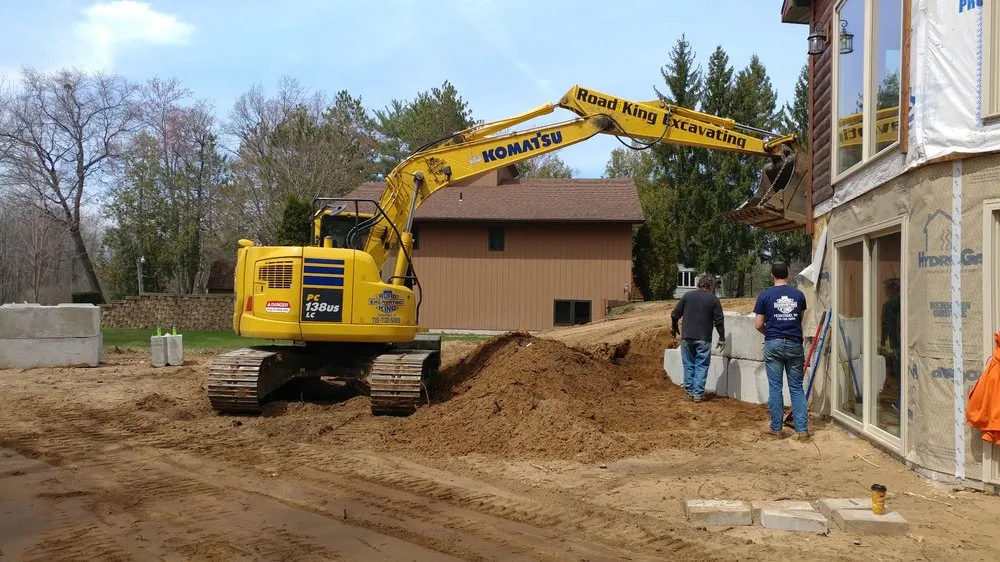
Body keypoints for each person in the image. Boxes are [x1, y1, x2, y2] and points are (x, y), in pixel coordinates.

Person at [754, 262, 809, 440]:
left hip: (774, 344)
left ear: (772, 276)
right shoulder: (798, 295)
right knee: (796, 387)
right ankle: (802, 431)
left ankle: (777, 429)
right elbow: (799, 320)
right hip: (794, 344)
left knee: (775, 387)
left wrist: (769, 334)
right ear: (788, 275)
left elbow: (759, 324)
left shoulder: (765, 295)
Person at [671, 274, 726, 402]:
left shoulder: (687, 296)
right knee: (701, 365)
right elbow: (719, 320)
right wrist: (722, 337)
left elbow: (674, 314)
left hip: (687, 337)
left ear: (699, 284)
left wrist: (674, 328)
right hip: (704, 338)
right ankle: (698, 394)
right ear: (711, 286)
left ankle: (689, 392)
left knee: (689, 364)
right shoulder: (713, 300)